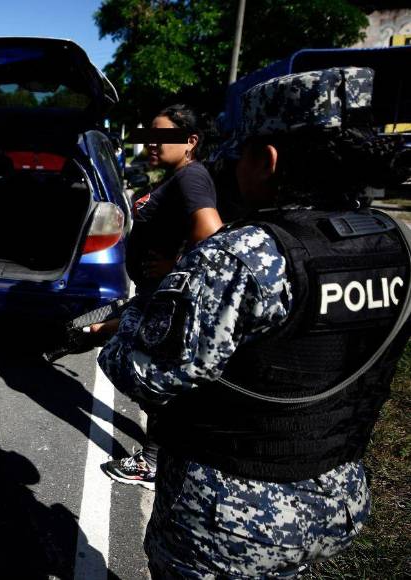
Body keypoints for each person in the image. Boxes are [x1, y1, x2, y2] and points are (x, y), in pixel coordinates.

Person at [98, 67, 410, 578]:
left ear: (266, 159)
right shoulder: (395, 242)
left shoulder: (246, 257)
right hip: (337, 500)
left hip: (231, 518)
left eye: (241, 155)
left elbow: (145, 374)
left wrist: (131, 319)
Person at [100, 104, 223, 490]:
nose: (152, 142)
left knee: (149, 378)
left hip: (166, 300)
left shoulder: (191, 177)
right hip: (155, 295)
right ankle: (160, 456)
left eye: (163, 135)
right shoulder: (178, 176)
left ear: (190, 141)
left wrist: (177, 264)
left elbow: (212, 234)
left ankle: (153, 464)